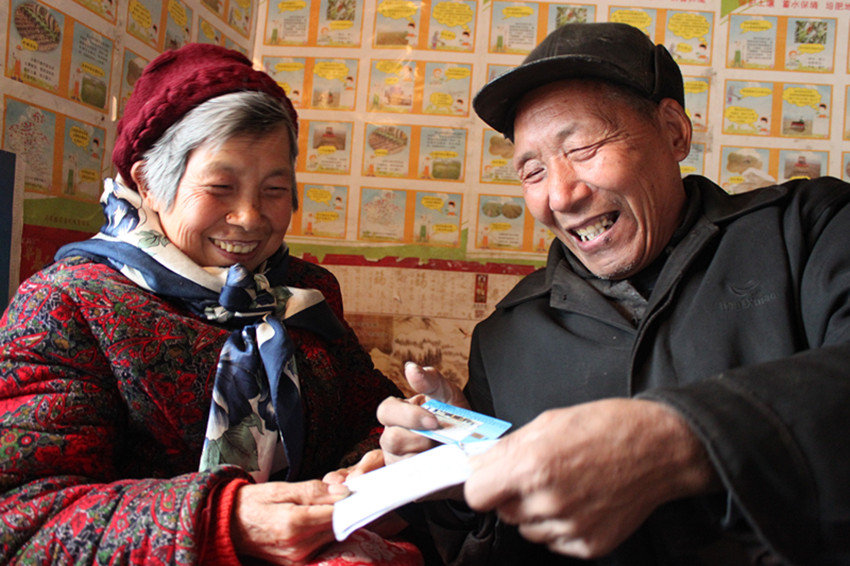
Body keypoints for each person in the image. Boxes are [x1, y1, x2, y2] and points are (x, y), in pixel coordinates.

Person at [378, 22, 850, 565]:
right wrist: (457, 478)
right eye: (532, 170)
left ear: (673, 131)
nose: (561, 194)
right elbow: (481, 549)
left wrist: (674, 438)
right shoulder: (506, 335)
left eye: (582, 147)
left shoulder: (809, 232)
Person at [0, 44, 423, 565]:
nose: (249, 217)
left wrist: (376, 461)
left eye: (274, 189)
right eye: (220, 187)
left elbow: (365, 418)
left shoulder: (303, 294)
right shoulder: (66, 304)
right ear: (146, 182)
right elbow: (20, 517)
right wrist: (225, 522)